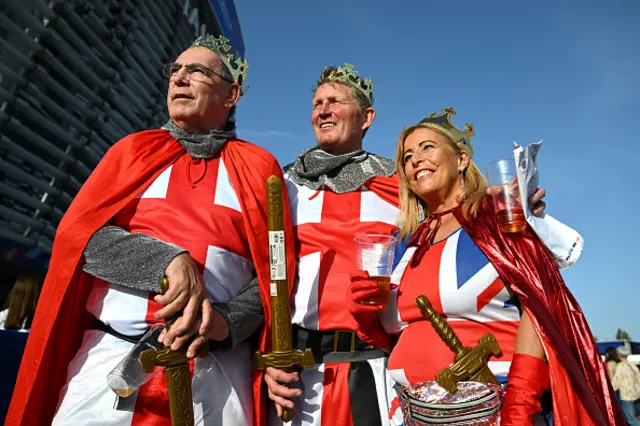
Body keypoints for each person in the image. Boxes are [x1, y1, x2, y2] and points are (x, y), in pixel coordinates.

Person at [6, 35, 295, 426]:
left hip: (217, 378)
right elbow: (80, 239)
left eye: (198, 71)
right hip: (110, 366)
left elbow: (276, 271)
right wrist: (168, 261)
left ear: (231, 94)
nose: (179, 78)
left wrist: (229, 321)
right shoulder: (132, 152)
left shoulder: (259, 168)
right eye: (175, 70)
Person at [262, 66, 571, 426]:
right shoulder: (279, 187)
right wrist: (271, 353)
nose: (323, 109)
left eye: (335, 101)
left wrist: (507, 211)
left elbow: (539, 304)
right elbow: (262, 274)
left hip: (392, 380)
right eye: (317, 103)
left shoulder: (403, 188)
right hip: (306, 375)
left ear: (367, 117)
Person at [347, 108, 623, 425]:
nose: (415, 160)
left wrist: (521, 402)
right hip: (410, 413)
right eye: (407, 156)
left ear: (461, 159)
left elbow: (539, 310)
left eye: (427, 147)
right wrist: (367, 320)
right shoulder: (401, 246)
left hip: (494, 410)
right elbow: (397, 336)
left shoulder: (497, 219)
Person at [612, 346, 640, 426]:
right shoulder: (633, 365)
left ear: (619, 354)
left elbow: (616, 381)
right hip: (636, 394)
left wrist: (609, 390)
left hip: (627, 396)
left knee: (631, 419)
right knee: (636, 416)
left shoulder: (621, 366)